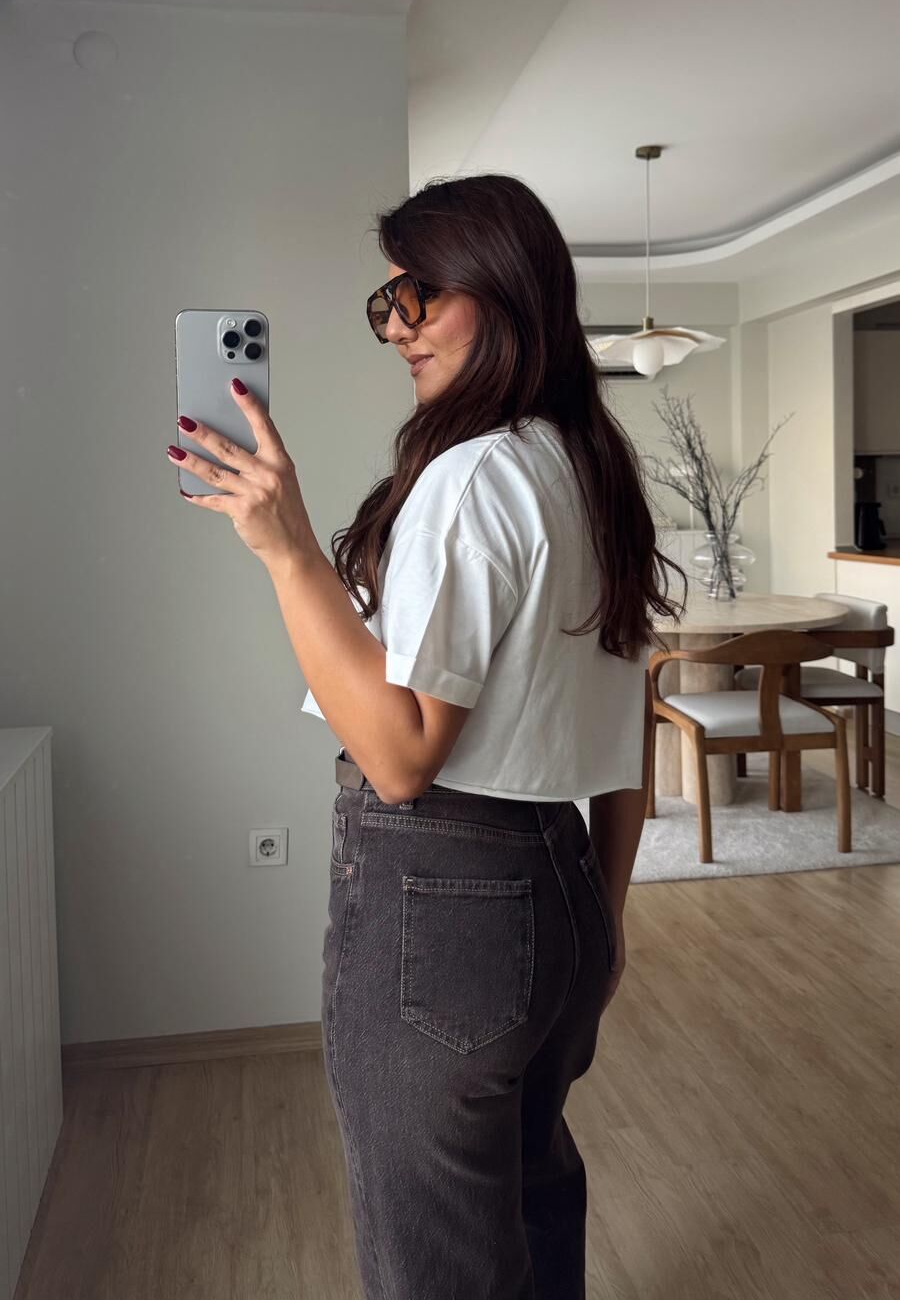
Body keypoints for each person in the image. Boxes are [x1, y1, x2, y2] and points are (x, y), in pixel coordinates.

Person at [169, 172, 684, 1296]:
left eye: (419, 295)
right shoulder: (587, 468)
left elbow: (402, 758)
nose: (397, 327)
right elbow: (626, 732)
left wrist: (286, 548)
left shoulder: (476, 474)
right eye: (386, 302)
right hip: (561, 880)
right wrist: (603, 918)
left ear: (503, 289)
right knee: (530, 1194)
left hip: (443, 903)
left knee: (437, 1256)